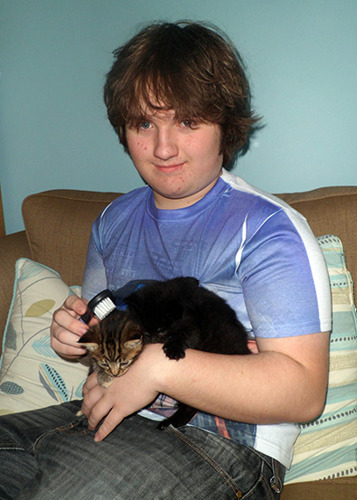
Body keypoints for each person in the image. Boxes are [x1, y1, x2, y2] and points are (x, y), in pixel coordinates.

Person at [0, 21, 331, 499]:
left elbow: (303, 392)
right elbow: (102, 326)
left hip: (222, 447)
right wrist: (72, 338)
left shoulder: (268, 229)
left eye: (188, 122)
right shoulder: (113, 221)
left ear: (227, 126)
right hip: (99, 420)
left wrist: (158, 367)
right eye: (143, 124)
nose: (163, 148)